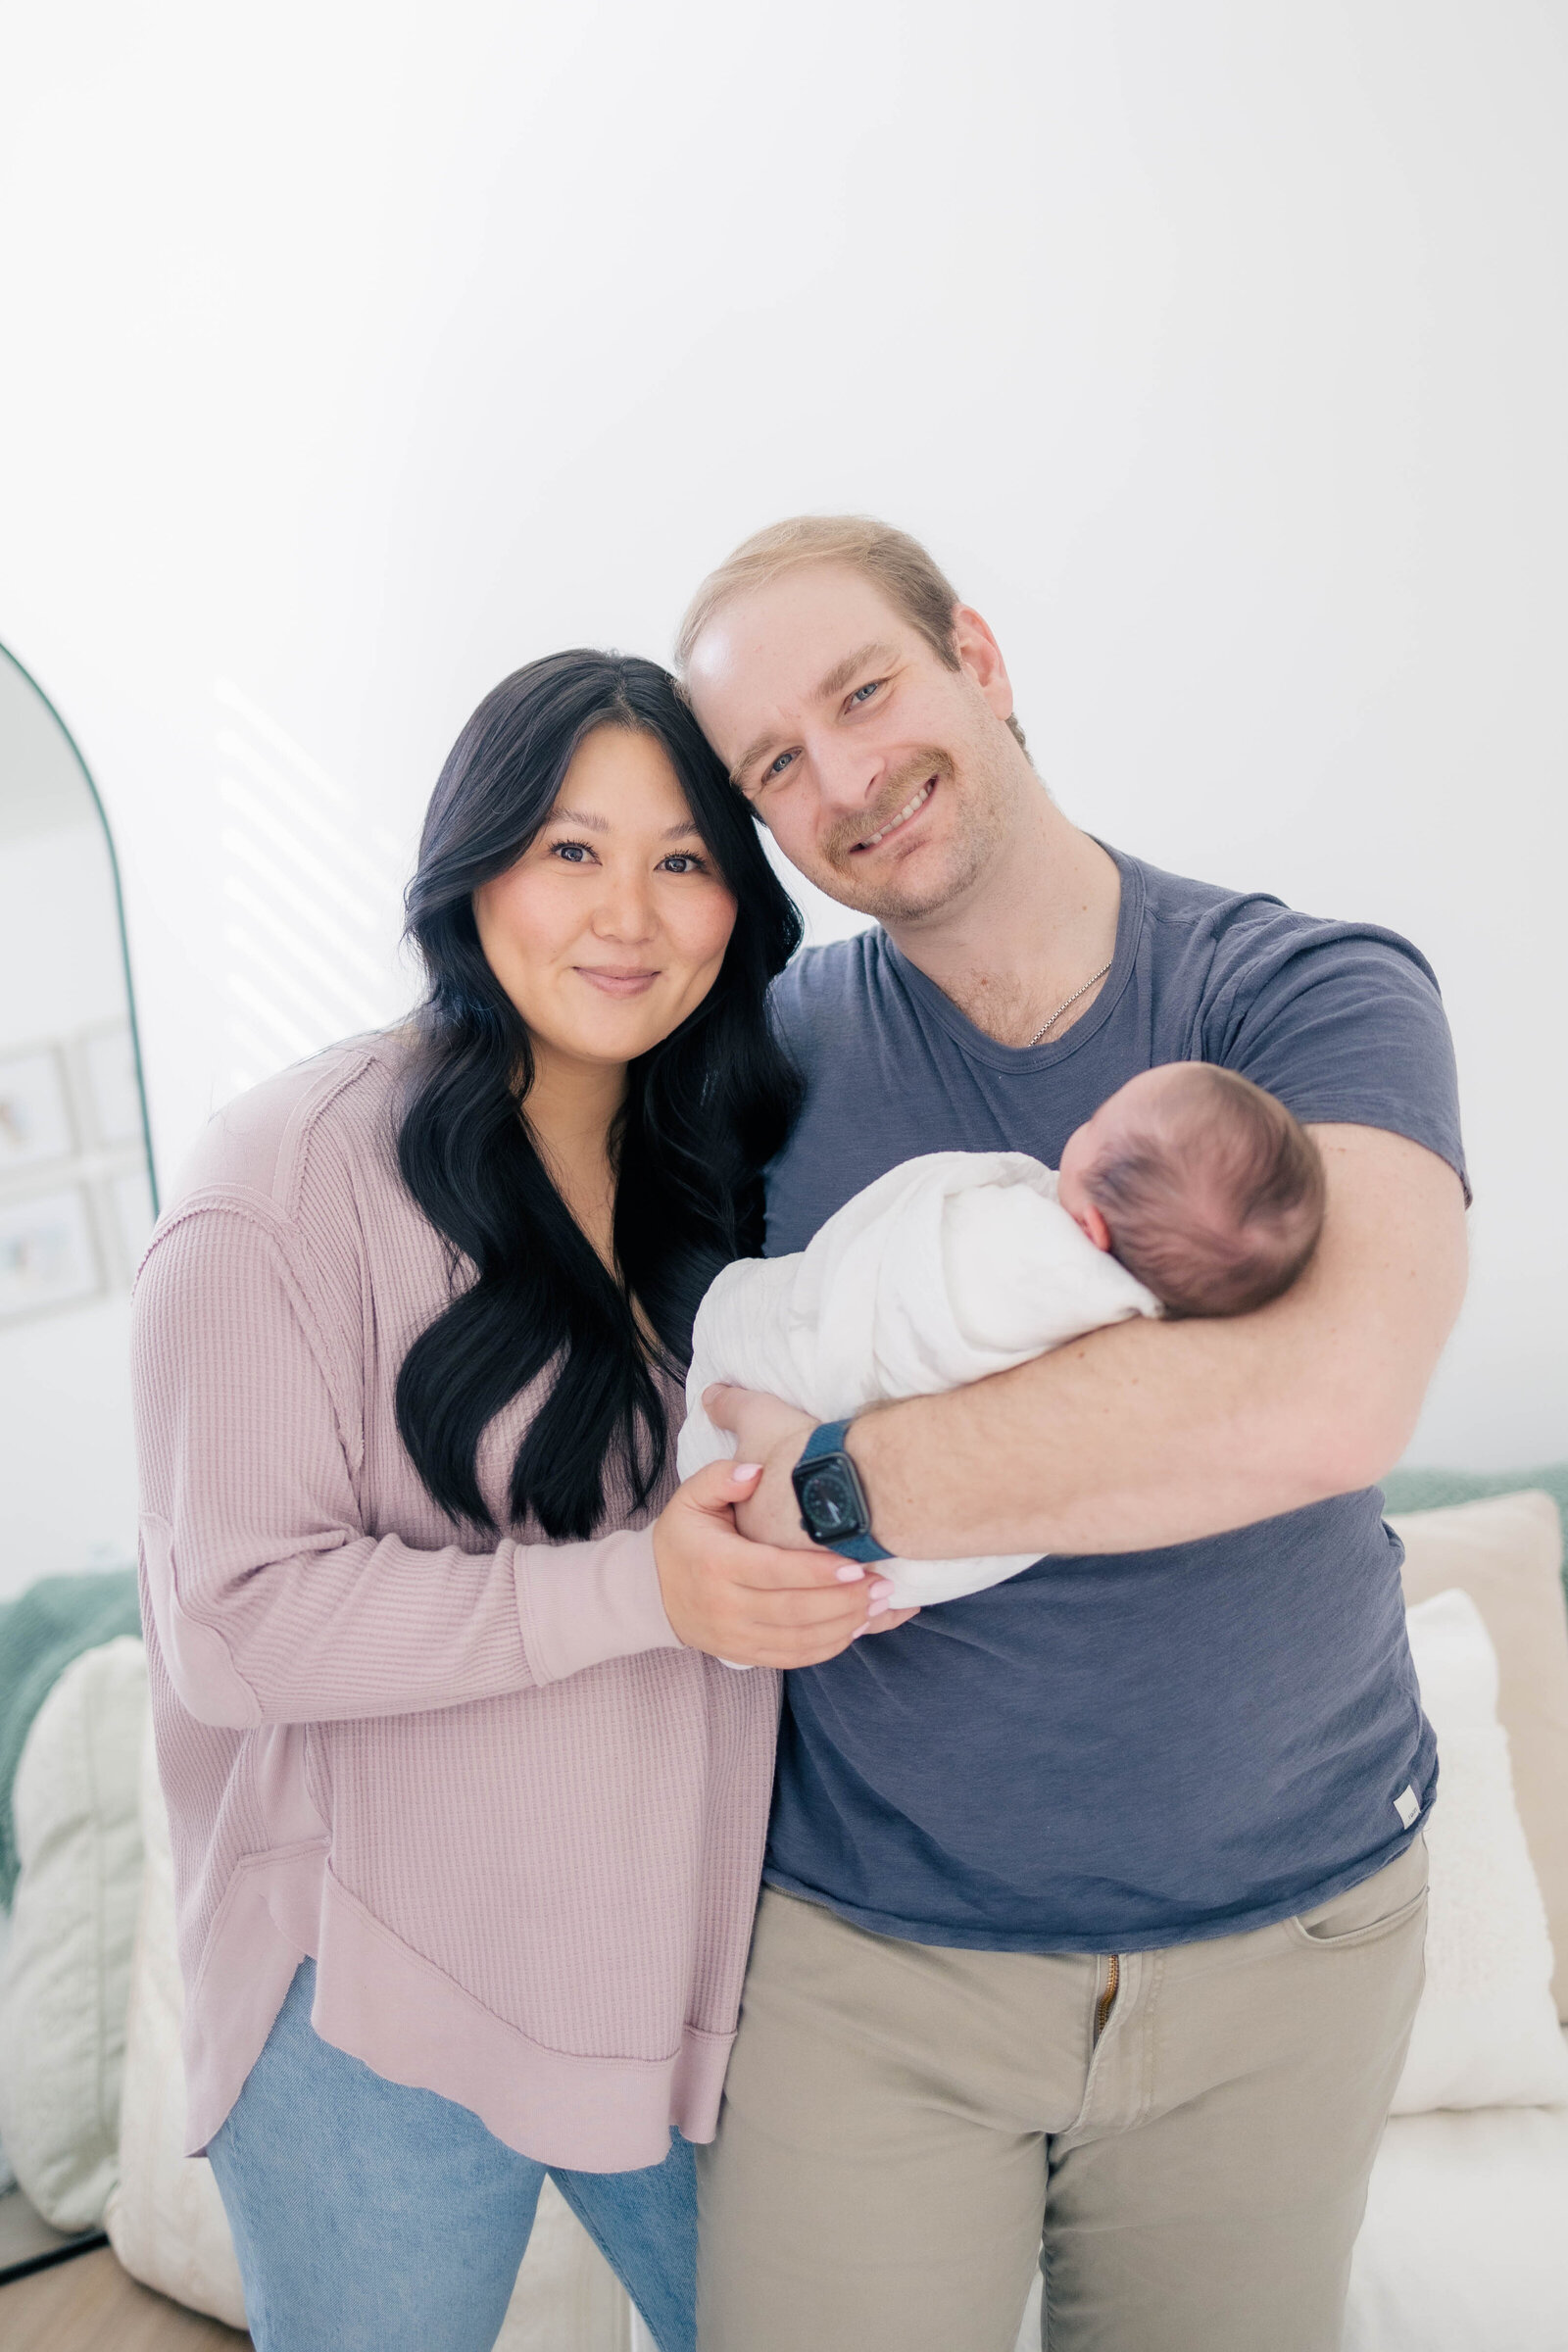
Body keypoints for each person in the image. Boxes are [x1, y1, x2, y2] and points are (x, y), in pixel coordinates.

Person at [673, 516, 1469, 2352]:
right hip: (869, 1964)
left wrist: (839, 1481)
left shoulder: (1306, 995)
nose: (845, 775)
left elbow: (1328, 1397)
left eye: (865, 691)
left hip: (1295, 1942)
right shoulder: (749, 1064)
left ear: (979, 656)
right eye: (774, 763)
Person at [129, 651, 905, 2352]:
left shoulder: (730, 1162)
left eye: (684, 858)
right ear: (470, 865)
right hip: (368, 1978)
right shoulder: (280, 1176)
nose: (628, 913)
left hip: (680, 1968)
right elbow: (229, 1630)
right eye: (570, 849)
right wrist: (647, 1593)